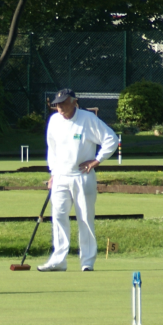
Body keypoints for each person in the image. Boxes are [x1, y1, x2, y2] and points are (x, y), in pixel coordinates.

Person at [39, 88, 118, 272]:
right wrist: (52, 173)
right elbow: (52, 149)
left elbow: (111, 139)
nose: (60, 107)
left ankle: (87, 261)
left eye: (64, 103)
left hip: (82, 176)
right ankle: (58, 260)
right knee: (58, 216)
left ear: (74, 102)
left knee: (85, 218)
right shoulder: (54, 121)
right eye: (57, 104)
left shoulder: (88, 119)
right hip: (60, 176)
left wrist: (97, 160)